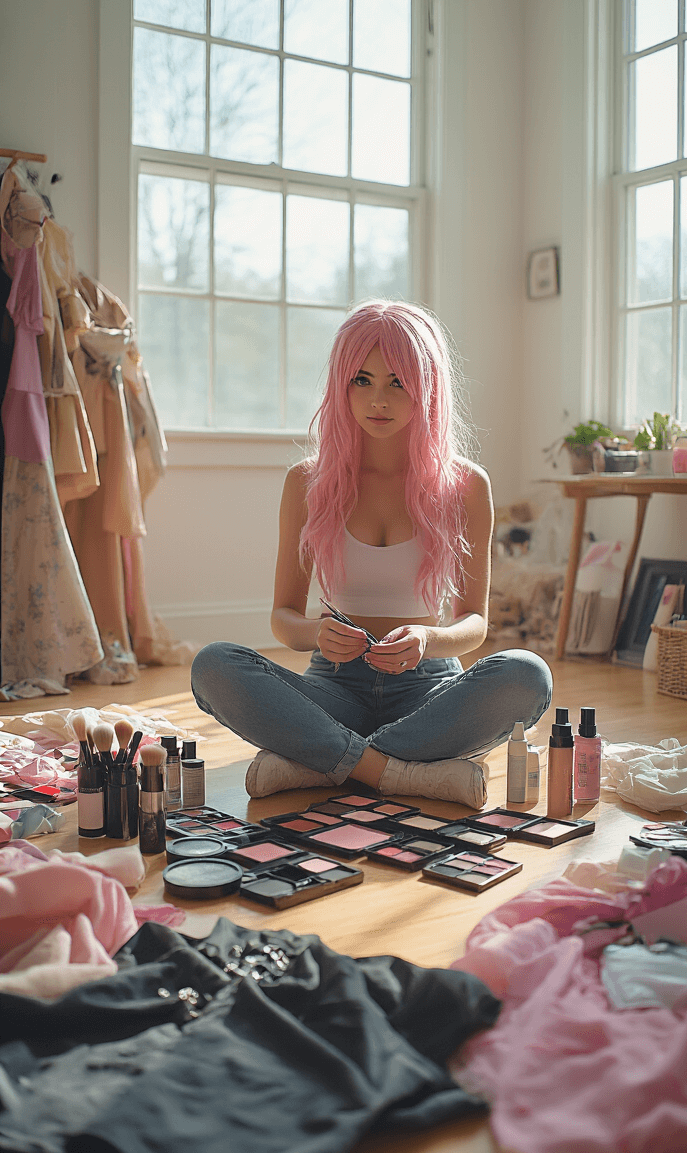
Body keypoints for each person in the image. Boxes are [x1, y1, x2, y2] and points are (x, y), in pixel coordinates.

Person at [191, 301, 551, 809]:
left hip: (427, 689)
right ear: (341, 384)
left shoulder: (467, 485)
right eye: (362, 379)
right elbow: (282, 616)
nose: (378, 399)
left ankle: (320, 762)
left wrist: (429, 638)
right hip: (334, 687)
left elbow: (475, 623)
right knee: (213, 665)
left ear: (426, 387)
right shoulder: (307, 482)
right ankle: (402, 773)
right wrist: (314, 632)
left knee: (527, 674)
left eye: (398, 381)